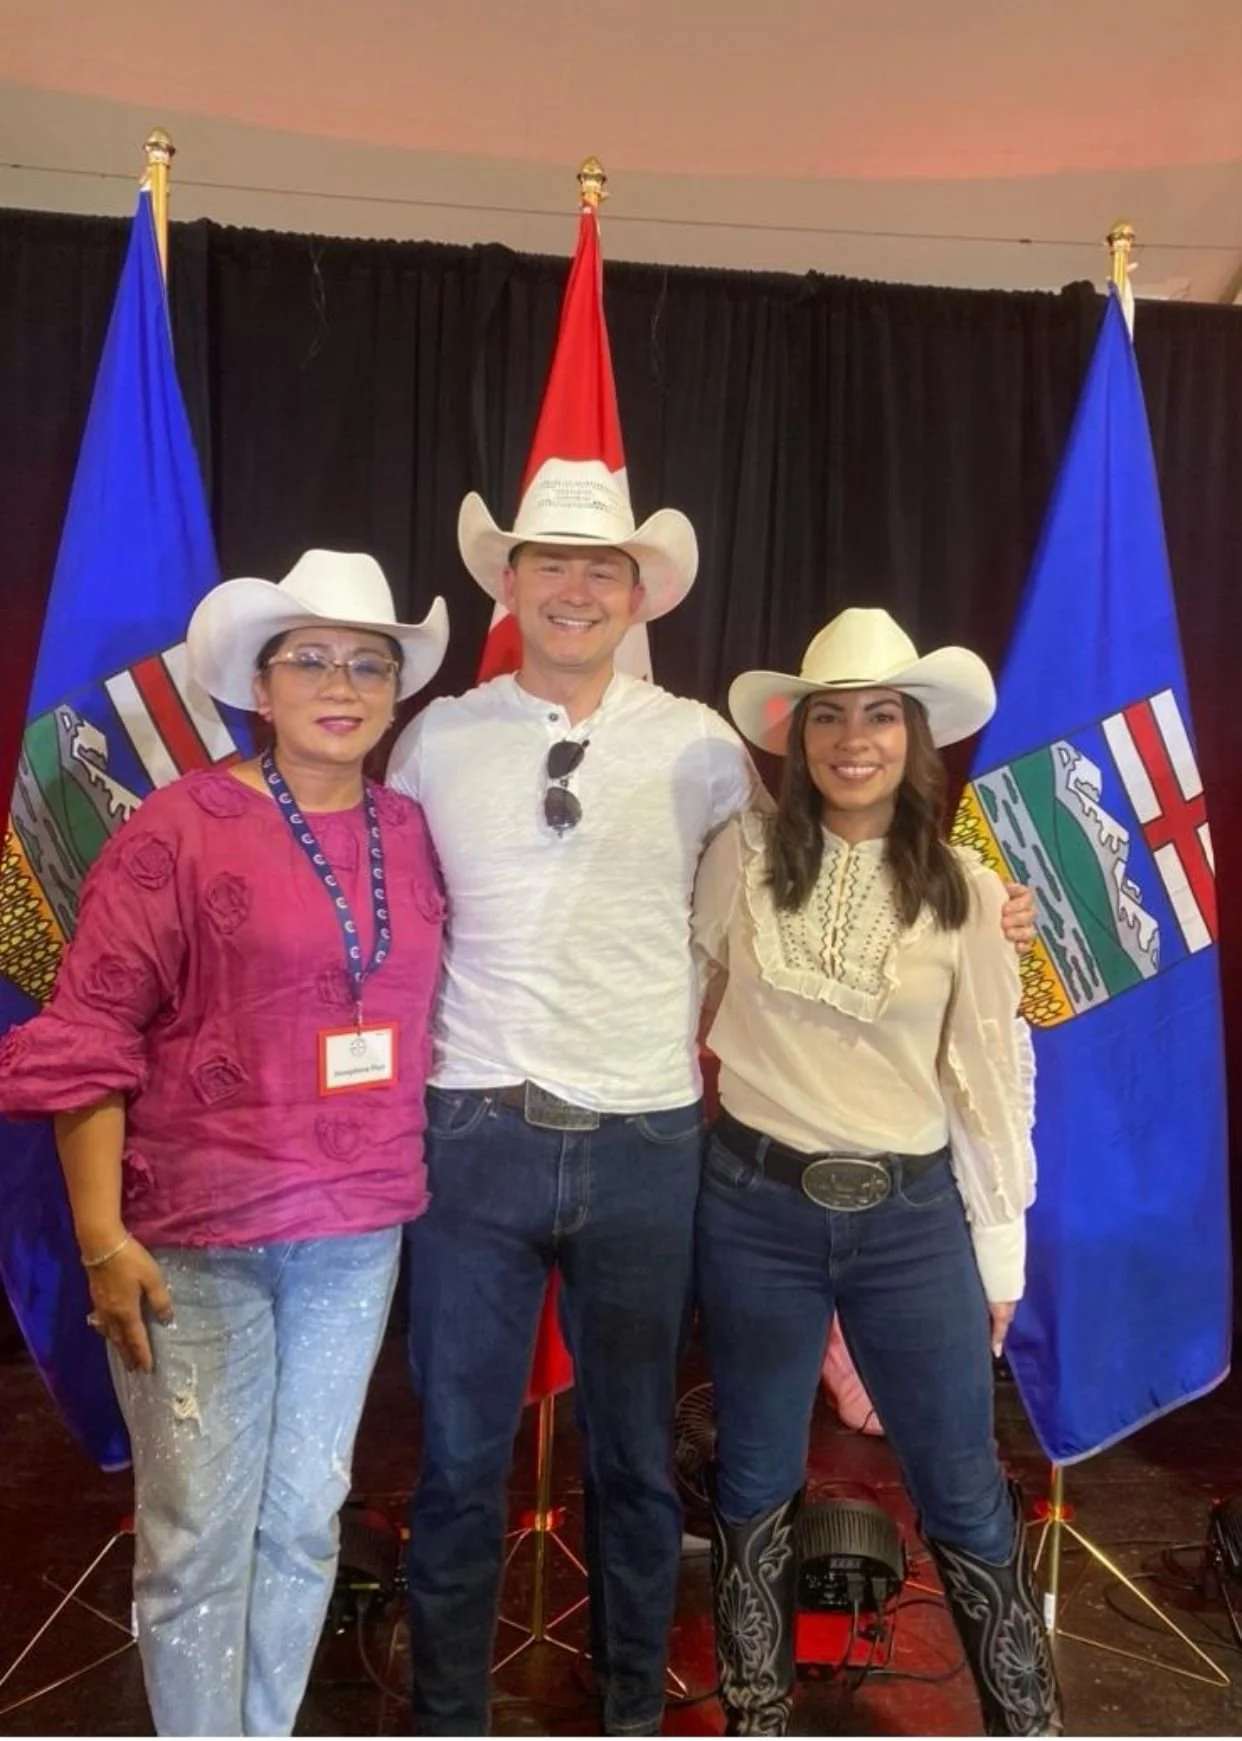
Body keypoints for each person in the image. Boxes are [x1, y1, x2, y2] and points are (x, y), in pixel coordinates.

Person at [389, 459, 1034, 1735]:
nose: (575, 589)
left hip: (650, 1145)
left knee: (639, 1463)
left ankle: (637, 1710)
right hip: (482, 1137)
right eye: (551, 563)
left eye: (601, 569)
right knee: (461, 1462)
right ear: (508, 580)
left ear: (640, 595)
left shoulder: (697, 749)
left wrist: (992, 910)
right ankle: (447, 1718)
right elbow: (380, 889)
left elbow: (854, 913)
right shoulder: (438, 737)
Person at [0, 550, 449, 1738]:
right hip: (194, 1240)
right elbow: (86, 1035)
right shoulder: (179, 826)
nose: (340, 682)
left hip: (358, 1235)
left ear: (395, 691)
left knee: (306, 1517)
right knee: (198, 1532)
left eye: (368, 661)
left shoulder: (411, 831)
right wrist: (101, 1239)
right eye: (312, 658)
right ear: (260, 680)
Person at [690, 607, 1062, 1737]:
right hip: (754, 1207)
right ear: (798, 738)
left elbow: (991, 1081)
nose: (855, 738)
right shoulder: (738, 858)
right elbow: (685, 1011)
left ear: (914, 735)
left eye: (881, 715)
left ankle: (1027, 1720)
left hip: (909, 1221)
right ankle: (755, 1715)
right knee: (753, 1474)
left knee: (959, 1478)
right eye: (831, 716)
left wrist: (1001, 1250)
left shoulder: (963, 886)